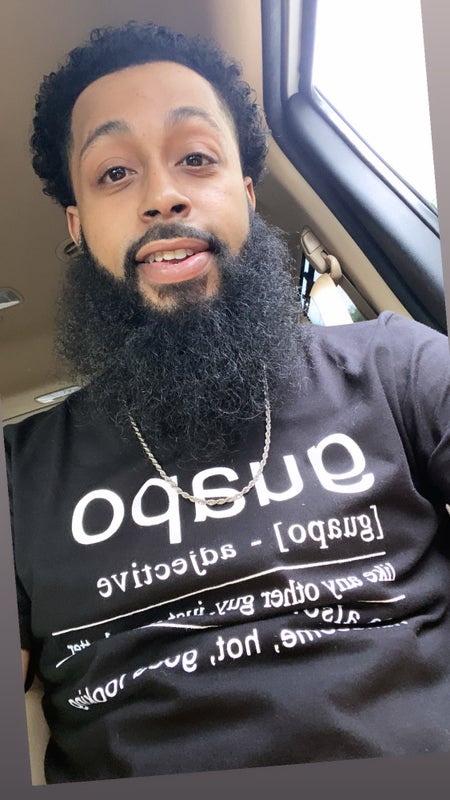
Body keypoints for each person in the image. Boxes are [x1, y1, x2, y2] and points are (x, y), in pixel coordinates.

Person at [4, 20, 450, 784]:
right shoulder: (17, 474)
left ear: (245, 193)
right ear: (77, 226)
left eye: (196, 158)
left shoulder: (395, 366)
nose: (163, 196)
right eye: (115, 172)